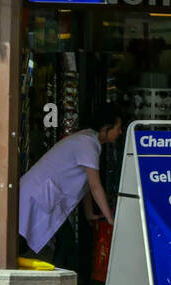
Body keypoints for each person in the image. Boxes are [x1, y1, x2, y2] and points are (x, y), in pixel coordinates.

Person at [18, 105, 122, 259]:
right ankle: (55, 280)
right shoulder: (88, 143)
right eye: (118, 128)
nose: (120, 132)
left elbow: (86, 184)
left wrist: (89, 213)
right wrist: (110, 218)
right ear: (106, 128)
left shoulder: (88, 141)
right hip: (38, 194)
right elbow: (95, 186)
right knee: (57, 242)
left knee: (60, 242)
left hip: (44, 195)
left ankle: (55, 278)